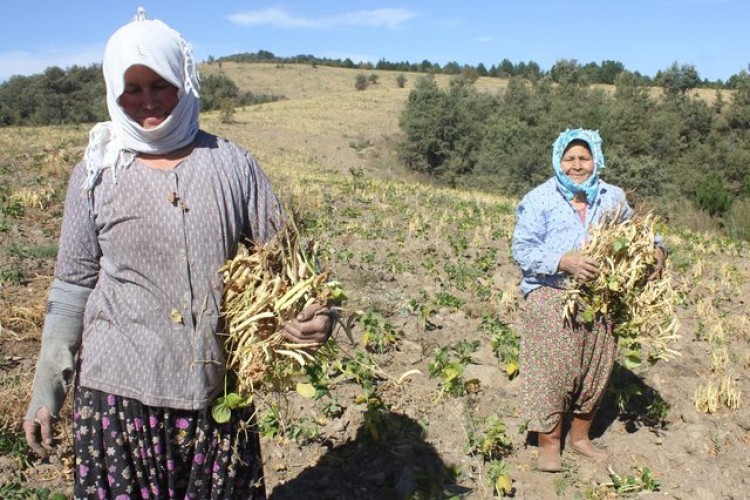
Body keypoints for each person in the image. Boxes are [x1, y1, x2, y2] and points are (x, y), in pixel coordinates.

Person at [23, 8, 332, 498]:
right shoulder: (97, 173)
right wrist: (48, 389)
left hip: (215, 394)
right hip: (119, 399)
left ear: (184, 82)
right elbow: (72, 286)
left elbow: (290, 266)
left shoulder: (233, 165)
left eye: (160, 84)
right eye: (133, 89)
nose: (148, 101)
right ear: (113, 92)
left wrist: (317, 315)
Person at [510, 128, 666, 473]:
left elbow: (640, 232)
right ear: (558, 161)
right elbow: (522, 249)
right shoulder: (539, 198)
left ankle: (580, 438)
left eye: (584, 158)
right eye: (569, 159)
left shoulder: (613, 196)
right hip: (553, 292)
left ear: (596, 160)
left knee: (596, 368)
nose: (577, 165)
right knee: (553, 370)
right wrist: (563, 261)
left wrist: (656, 251)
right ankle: (548, 442)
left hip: (602, 296)